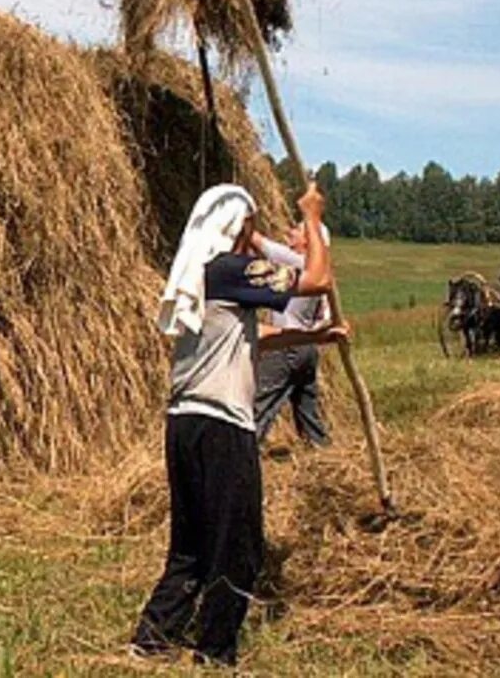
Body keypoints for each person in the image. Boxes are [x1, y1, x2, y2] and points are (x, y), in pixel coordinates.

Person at [131, 182, 348, 667]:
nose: (254, 236)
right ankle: (215, 653)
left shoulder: (203, 276)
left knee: (191, 544)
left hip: (184, 423)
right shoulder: (231, 270)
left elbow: (250, 336)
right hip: (222, 426)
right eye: (249, 226)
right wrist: (313, 218)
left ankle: (152, 638)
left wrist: (314, 335)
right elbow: (314, 278)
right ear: (237, 227)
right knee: (239, 545)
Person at [250, 222, 332, 447]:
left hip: (286, 347)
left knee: (260, 403)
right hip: (307, 348)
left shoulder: (298, 262)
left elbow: (255, 239)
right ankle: (321, 449)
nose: (289, 232)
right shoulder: (320, 271)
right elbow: (326, 316)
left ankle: (247, 449)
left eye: (296, 230)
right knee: (307, 409)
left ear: (309, 241)